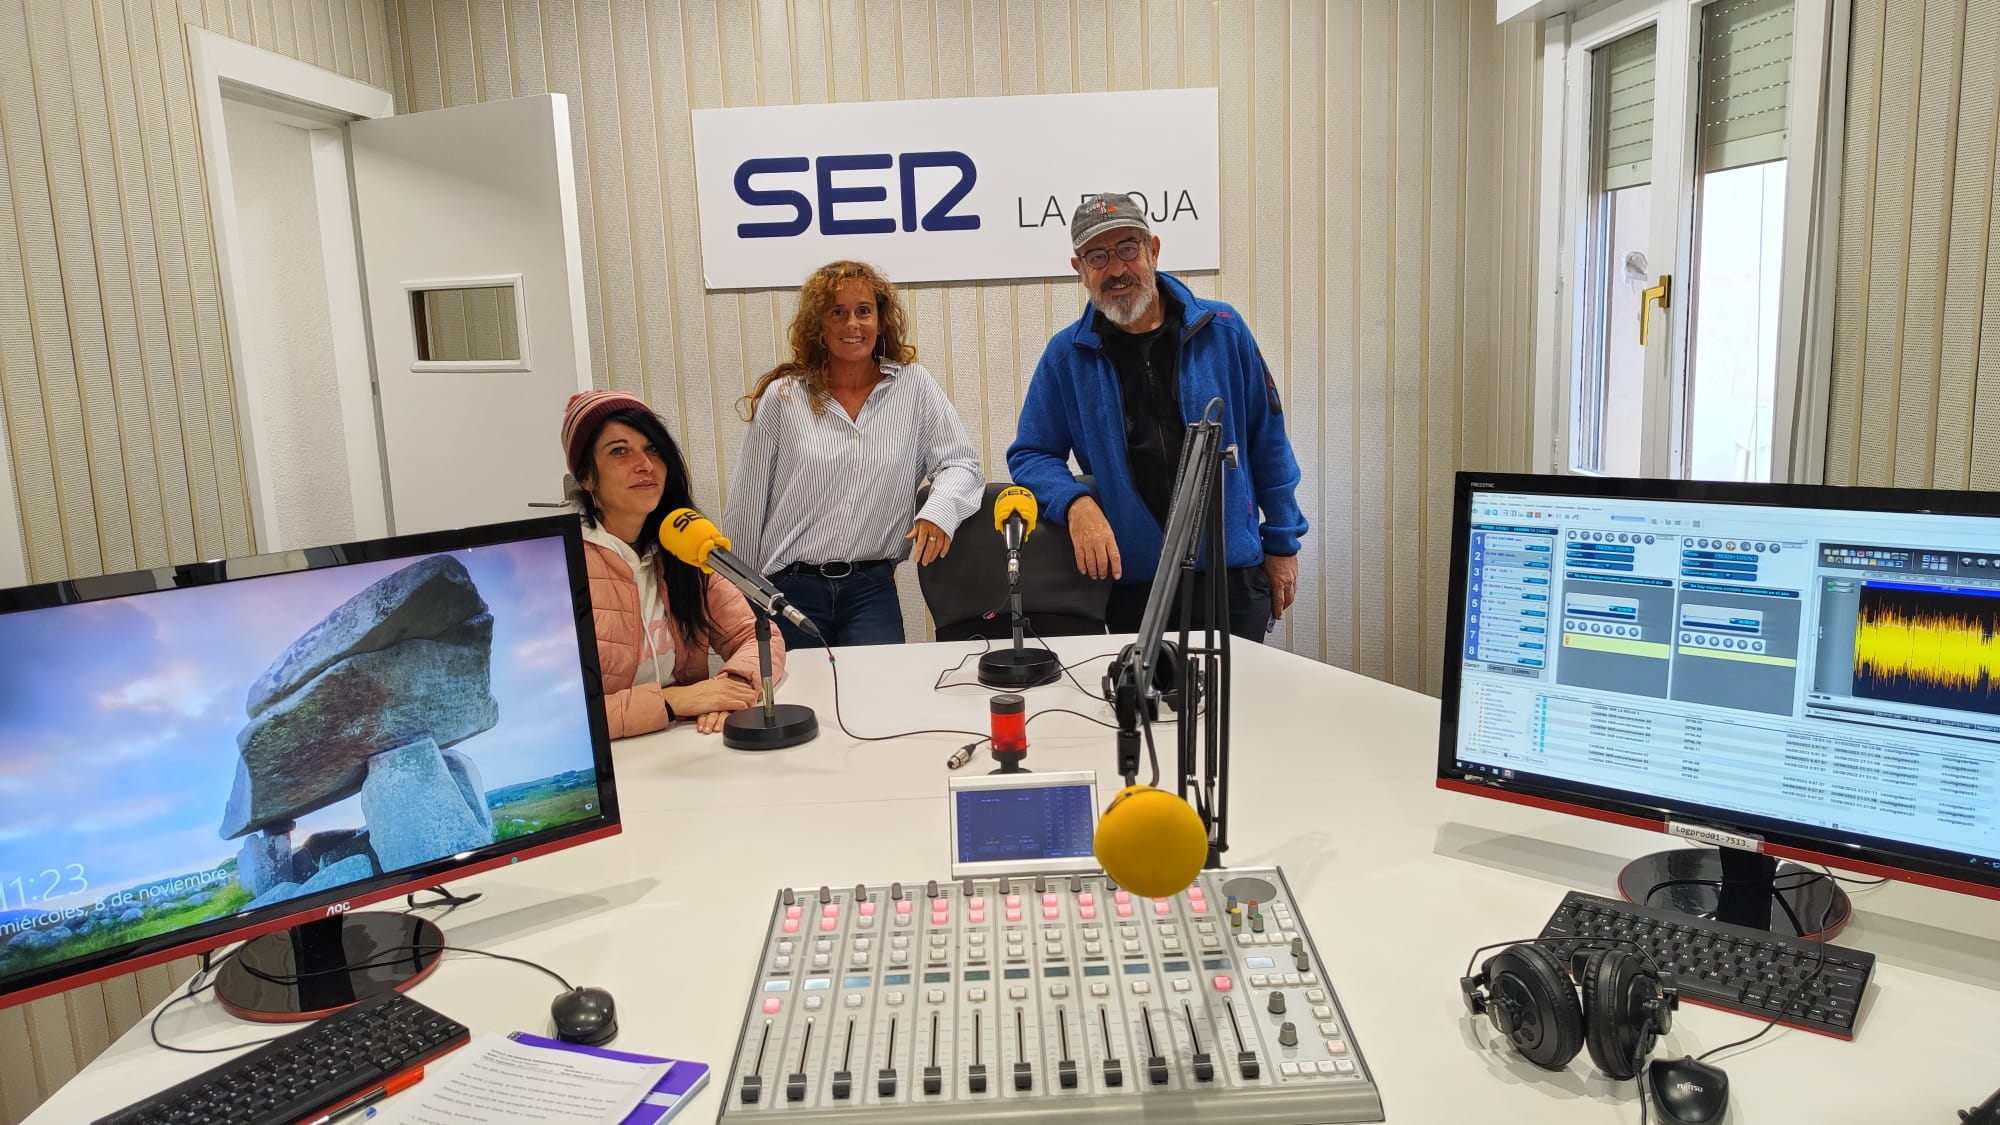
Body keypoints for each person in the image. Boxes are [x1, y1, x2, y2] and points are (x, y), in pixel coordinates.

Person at [1007, 192, 1307, 642]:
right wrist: (1076, 505)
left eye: (1128, 247)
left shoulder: (1223, 329)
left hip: (1233, 576)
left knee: (1234, 709)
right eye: (1098, 256)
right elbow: (1031, 453)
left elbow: (1268, 439)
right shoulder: (1065, 357)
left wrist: (1282, 542)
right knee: (1148, 711)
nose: (1116, 268)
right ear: (1080, 270)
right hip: (1136, 584)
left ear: (1154, 250)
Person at [725, 260, 984, 649]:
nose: (852, 325)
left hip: (871, 589)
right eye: (837, 312)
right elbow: (747, 505)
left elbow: (961, 464)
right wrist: (744, 599)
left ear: (880, 320)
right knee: (803, 706)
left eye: (864, 311)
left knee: (881, 703)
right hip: (790, 589)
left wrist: (938, 509)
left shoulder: (913, 386)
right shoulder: (784, 398)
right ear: (819, 325)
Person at [561, 390, 785, 738]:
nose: (645, 464)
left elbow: (755, 635)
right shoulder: (564, 568)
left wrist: (734, 685)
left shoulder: (685, 547)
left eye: (652, 449)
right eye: (619, 451)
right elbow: (564, 716)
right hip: (613, 763)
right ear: (586, 477)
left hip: (684, 743)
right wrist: (671, 702)